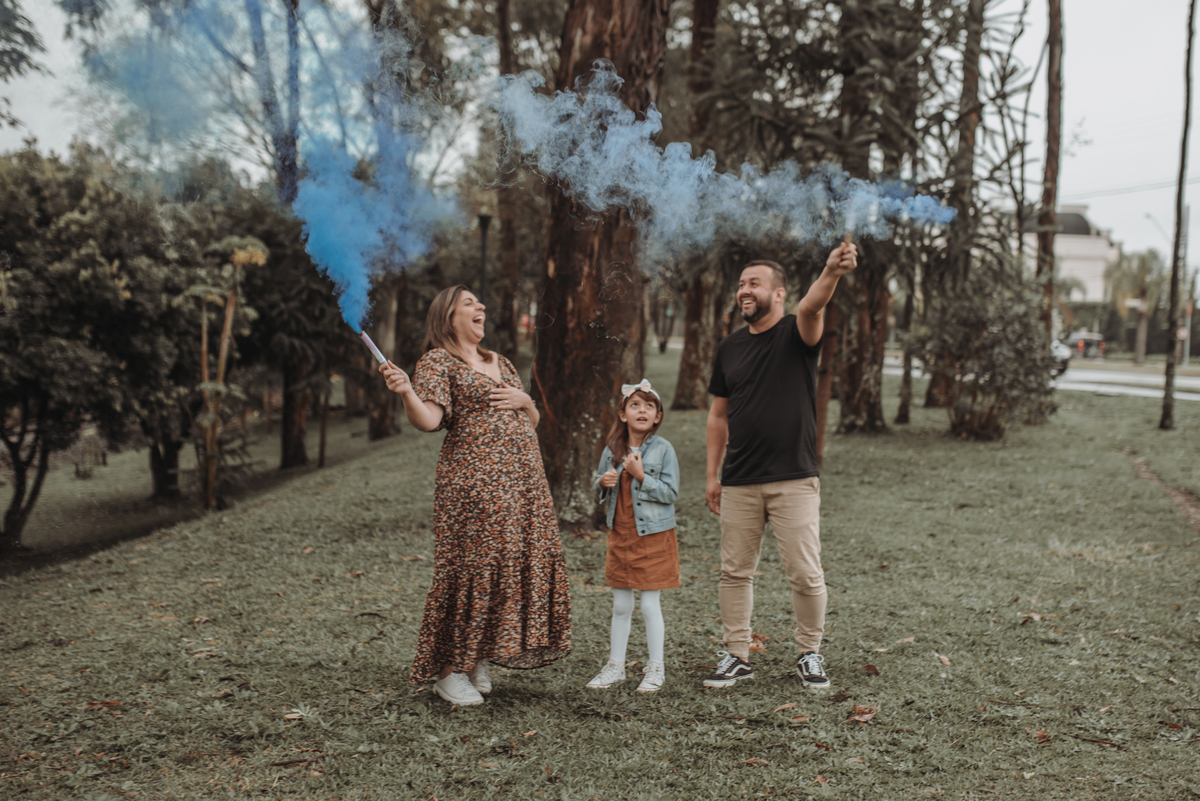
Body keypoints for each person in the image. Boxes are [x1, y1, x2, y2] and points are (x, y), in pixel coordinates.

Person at [379, 285, 571, 706]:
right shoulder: (438, 361)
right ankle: (450, 672)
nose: (480, 306)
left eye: (479, 302)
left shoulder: (500, 361)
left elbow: (531, 421)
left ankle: (475, 655)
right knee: (473, 566)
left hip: (523, 484)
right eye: (469, 303)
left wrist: (526, 400)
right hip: (475, 485)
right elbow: (429, 420)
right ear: (448, 318)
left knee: (506, 563)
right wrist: (407, 391)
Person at [702, 245, 857, 691]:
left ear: (779, 294)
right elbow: (718, 416)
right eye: (741, 284)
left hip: (794, 478)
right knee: (734, 572)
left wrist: (831, 271)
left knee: (806, 574)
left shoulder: (797, 332)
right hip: (740, 480)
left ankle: (810, 652)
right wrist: (713, 475)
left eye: (754, 283)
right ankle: (737, 655)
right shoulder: (730, 347)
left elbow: (813, 306)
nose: (744, 291)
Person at [586, 380, 681, 694]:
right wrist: (603, 482)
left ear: (657, 416)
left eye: (649, 406)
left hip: (653, 536)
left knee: (650, 606)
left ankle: (656, 667)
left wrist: (642, 477)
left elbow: (671, 493)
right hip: (621, 534)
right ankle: (616, 665)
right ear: (623, 414)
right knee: (621, 605)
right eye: (635, 405)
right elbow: (597, 486)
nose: (642, 411)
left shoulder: (664, 449)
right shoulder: (612, 449)